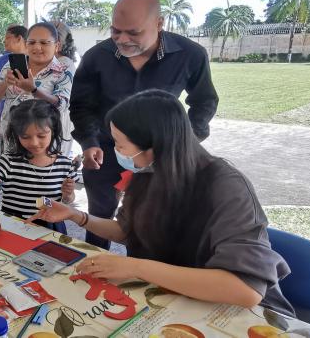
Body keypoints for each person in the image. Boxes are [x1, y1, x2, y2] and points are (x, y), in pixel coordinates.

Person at [31, 90, 294, 317]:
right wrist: (76, 216)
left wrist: (135, 267)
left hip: (238, 313)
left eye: (121, 145)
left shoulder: (225, 186)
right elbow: (127, 231)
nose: (116, 152)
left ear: (154, 145)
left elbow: (244, 289)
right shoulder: (146, 175)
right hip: (176, 299)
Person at [70, 0, 219, 250]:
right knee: (99, 215)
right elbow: (82, 105)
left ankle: (141, 274)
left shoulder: (190, 55)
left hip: (159, 154)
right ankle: (93, 270)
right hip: (105, 150)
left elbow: (204, 101)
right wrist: (88, 142)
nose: (122, 40)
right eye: (116, 31)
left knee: (149, 220)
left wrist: (184, 143)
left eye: (133, 33)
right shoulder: (96, 56)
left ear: (159, 24)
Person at [0, 99, 76, 233]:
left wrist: (68, 194)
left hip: (50, 228)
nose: (34, 143)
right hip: (12, 225)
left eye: (41, 136)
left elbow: (68, 200)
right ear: (17, 135)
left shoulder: (65, 165)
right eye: (25, 137)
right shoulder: (9, 161)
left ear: (53, 130)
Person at [0, 22, 75, 158]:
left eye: (44, 43)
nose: (37, 47)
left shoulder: (63, 68)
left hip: (43, 146)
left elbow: (61, 104)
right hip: (11, 141)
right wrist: (5, 83)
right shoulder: (12, 64)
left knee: (40, 178)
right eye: (32, 42)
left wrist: (33, 90)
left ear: (56, 45)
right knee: (11, 178)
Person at [0, 25, 27, 123]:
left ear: (19, 38)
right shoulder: (3, 60)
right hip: (5, 114)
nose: (4, 41)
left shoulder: (36, 61)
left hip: (27, 117)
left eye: (7, 38)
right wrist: (1, 87)